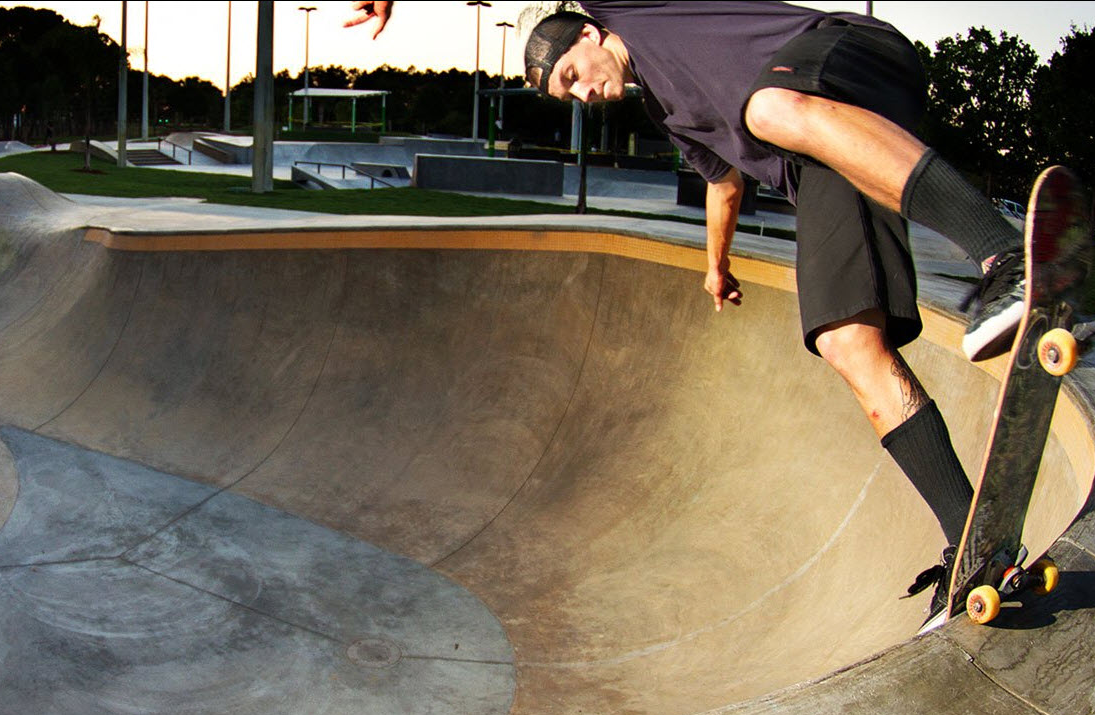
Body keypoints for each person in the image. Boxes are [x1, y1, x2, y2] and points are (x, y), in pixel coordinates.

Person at [349, 1, 1029, 621]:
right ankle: (972, 540)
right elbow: (722, 185)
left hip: (845, 55)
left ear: (587, 32)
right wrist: (715, 266)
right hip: (830, 157)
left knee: (766, 110)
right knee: (846, 343)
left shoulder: (630, 10)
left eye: (573, 76)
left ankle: (1007, 258)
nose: (584, 96)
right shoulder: (670, 113)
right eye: (568, 96)